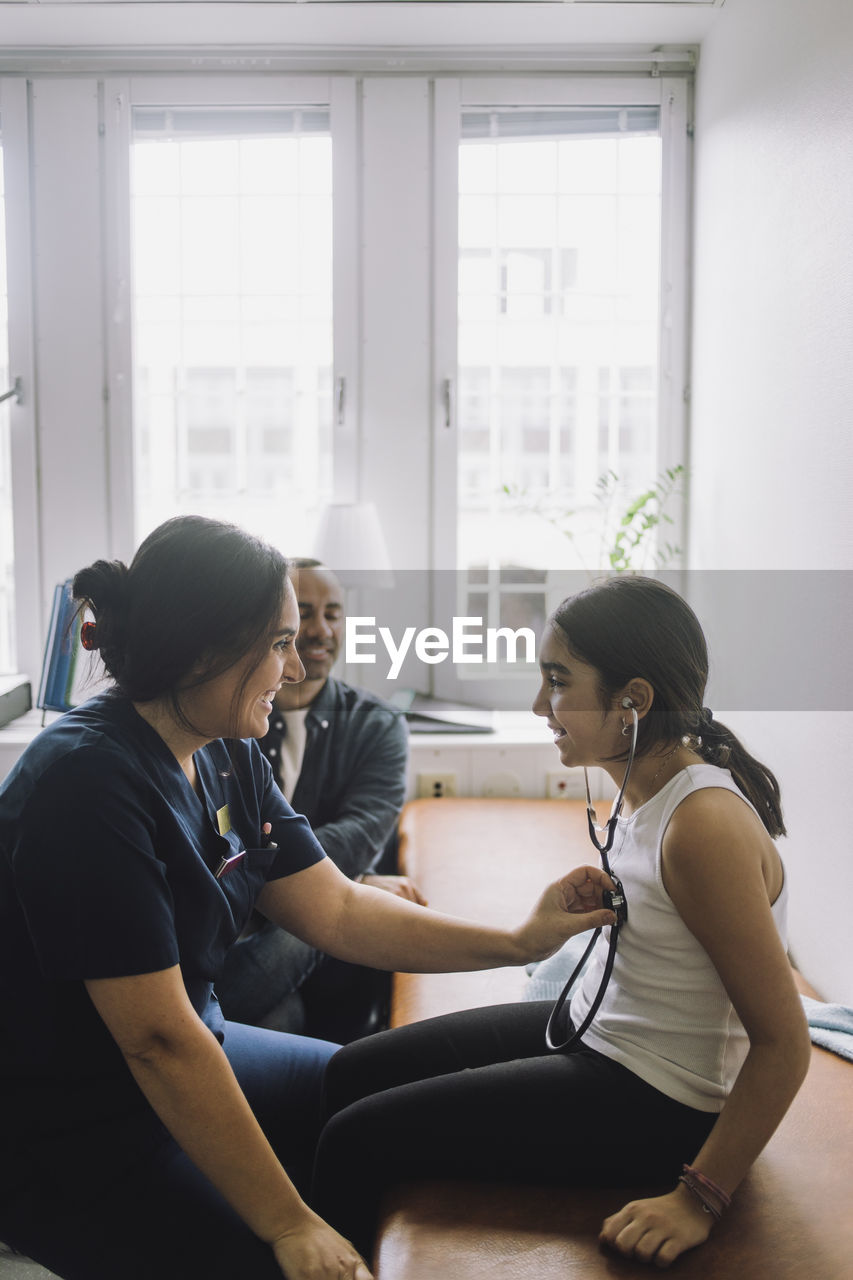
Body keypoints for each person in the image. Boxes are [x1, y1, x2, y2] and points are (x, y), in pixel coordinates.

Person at [0, 515, 616, 1280]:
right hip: (78, 1126)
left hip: (200, 1042)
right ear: (207, 648)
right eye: (281, 643)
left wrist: (520, 941)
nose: (295, 672)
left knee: (361, 1105)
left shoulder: (225, 748)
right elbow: (155, 1041)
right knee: (278, 1260)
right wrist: (292, 1225)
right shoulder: (87, 783)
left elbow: (337, 908)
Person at [309, 574, 811, 1270]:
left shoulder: (702, 825)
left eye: (558, 682)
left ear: (632, 701)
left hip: (661, 1101)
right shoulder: (643, 787)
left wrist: (699, 1197)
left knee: (351, 1139)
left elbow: (784, 1042)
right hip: (595, 1031)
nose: (540, 704)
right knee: (350, 1072)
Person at [217, 559, 424, 1043]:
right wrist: (352, 877)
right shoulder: (232, 721)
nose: (321, 629)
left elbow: (363, 831)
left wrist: (264, 872)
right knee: (279, 1022)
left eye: (333, 613)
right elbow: (214, 838)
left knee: (310, 921)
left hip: (321, 946)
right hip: (230, 934)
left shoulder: (378, 724)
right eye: (304, 614)